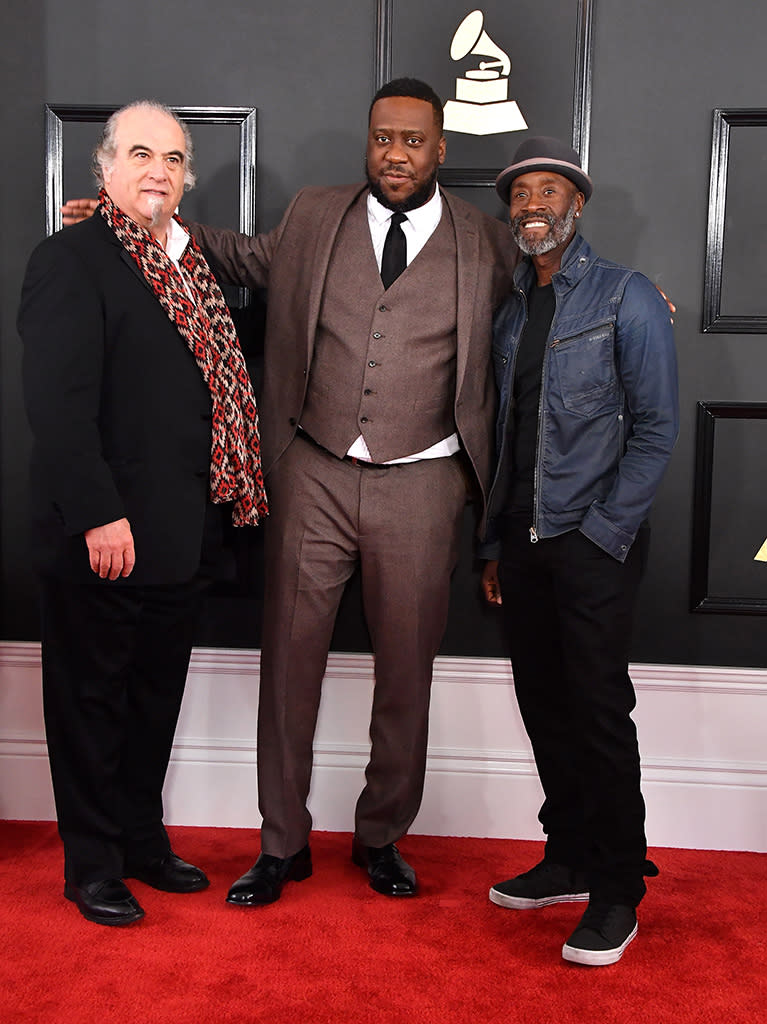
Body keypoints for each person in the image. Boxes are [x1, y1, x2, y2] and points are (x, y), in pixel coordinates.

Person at [144, 77, 517, 903]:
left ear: (440, 149)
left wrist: (633, 296)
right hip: (312, 467)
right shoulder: (317, 213)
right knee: (288, 665)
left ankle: (381, 836)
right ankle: (281, 844)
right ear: (369, 138)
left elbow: (549, 293)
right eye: (383, 137)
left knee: (406, 673)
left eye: (413, 140)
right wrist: (144, 226)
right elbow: (240, 257)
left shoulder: (484, 243)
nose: (395, 153)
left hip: (422, 481)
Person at [18, 100, 267, 926]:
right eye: (139, 153)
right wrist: (97, 514)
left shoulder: (191, 266)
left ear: (185, 174)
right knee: (90, 700)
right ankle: (91, 864)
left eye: (171, 157)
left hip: (184, 529)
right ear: (104, 168)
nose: (156, 169)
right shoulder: (71, 258)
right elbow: (57, 407)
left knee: (154, 694)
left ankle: (139, 840)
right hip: (106, 532)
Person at [480, 137, 679, 965]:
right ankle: (564, 856)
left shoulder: (626, 296)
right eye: (520, 191)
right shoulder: (510, 311)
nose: (532, 202)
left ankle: (616, 887)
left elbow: (658, 429)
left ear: (577, 204)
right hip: (521, 544)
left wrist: (604, 532)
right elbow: (504, 437)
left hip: (592, 541)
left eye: (548, 189)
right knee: (544, 708)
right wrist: (493, 541)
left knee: (598, 714)